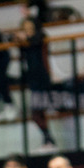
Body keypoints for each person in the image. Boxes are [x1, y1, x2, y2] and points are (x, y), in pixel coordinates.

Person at [14, 17, 59, 153]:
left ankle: (49, 140)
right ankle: (48, 140)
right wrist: (18, 40)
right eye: (25, 28)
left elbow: (35, 42)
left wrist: (24, 39)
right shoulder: (26, 42)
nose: (27, 31)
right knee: (36, 113)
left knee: (38, 112)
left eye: (30, 28)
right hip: (33, 79)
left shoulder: (40, 36)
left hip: (42, 78)